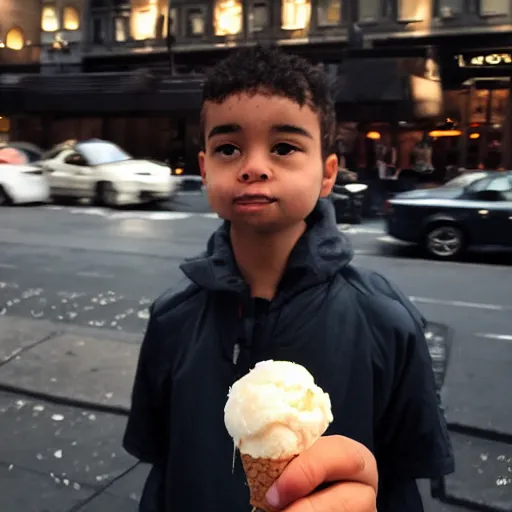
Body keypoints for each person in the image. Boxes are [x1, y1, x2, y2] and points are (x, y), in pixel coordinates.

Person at [123, 45, 454, 512]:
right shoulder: (172, 317)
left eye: (284, 147)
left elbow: (401, 480)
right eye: (228, 148)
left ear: (327, 174)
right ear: (203, 169)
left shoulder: (385, 320)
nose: (253, 165)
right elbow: (161, 468)